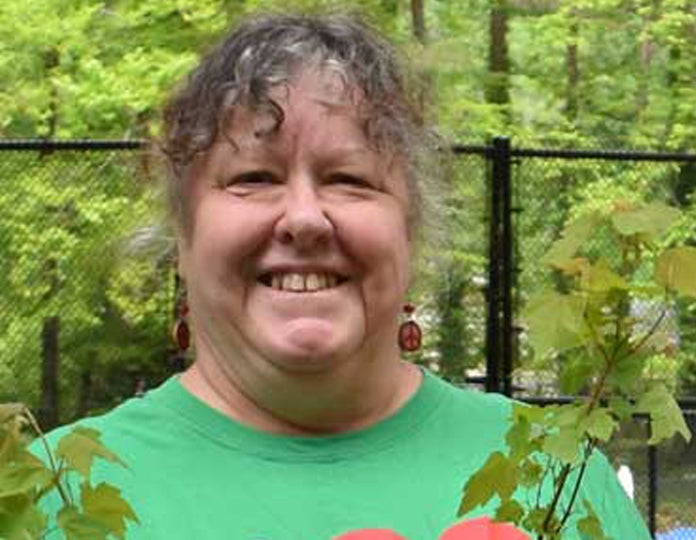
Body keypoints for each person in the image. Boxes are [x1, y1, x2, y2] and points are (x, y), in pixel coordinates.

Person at [38, 13, 649, 539]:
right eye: (254, 178)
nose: (305, 218)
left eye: (349, 179)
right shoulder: (53, 494)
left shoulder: (557, 477)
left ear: (410, 234)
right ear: (182, 236)